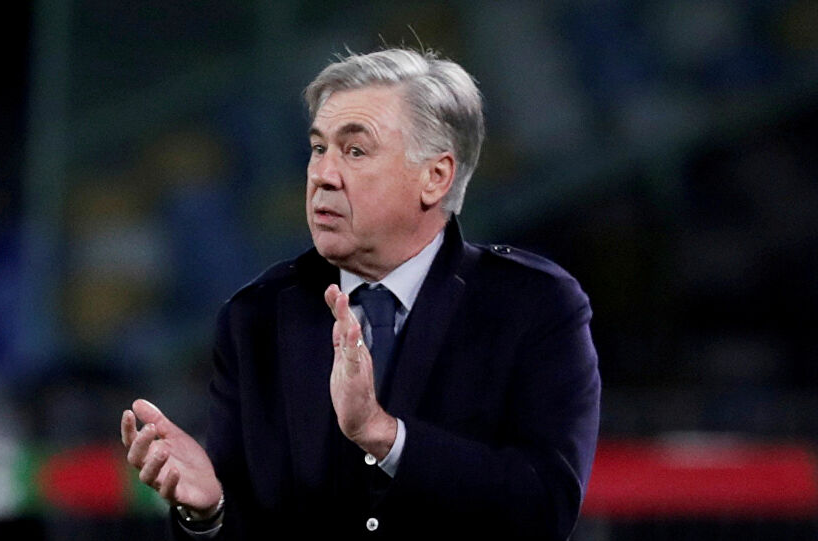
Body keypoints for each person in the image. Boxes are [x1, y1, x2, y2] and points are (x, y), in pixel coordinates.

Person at [121, 48, 600, 540]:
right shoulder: (255, 318)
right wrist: (210, 512)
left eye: (354, 151)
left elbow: (546, 507)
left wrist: (384, 436)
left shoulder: (531, 305)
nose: (322, 175)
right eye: (318, 148)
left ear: (435, 177)